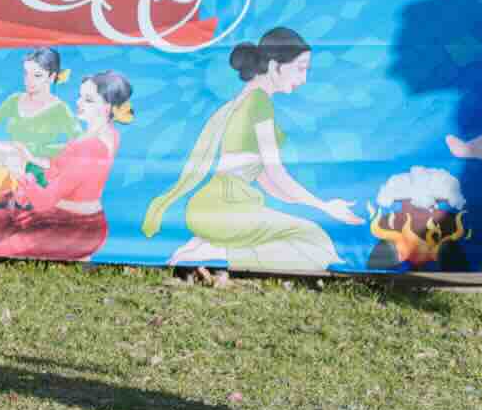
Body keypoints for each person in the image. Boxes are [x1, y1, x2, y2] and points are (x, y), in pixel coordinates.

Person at [142, 28, 362, 273]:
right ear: (274, 65)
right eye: (300, 68)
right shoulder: (258, 102)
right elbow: (276, 173)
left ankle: (208, 245)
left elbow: (269, 181)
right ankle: (212, 251)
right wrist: (324, 207)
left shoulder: (247, 99)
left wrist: (318, 205)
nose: (303, 79)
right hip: (223, 207)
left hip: (218, 207)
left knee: (310, 237)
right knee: (314, 242)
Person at [0, 71, 134, 262]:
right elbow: (70, 170)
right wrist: (32, 159)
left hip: (76, 228)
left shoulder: (88, 146)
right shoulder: (108, 134)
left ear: (107, 107)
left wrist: (18, 171)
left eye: (88, 100)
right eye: (80, 96)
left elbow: (44, 201)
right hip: (67, 217)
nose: (79, 102)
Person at [0, 46, 78, 180]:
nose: (29, 80)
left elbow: (80, 145)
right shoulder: (14, 100)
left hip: (41, 174)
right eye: (26, 73)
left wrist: (36, 150)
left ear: (52, 77)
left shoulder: (60, 109)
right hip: (10, 170)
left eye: (37, 75)